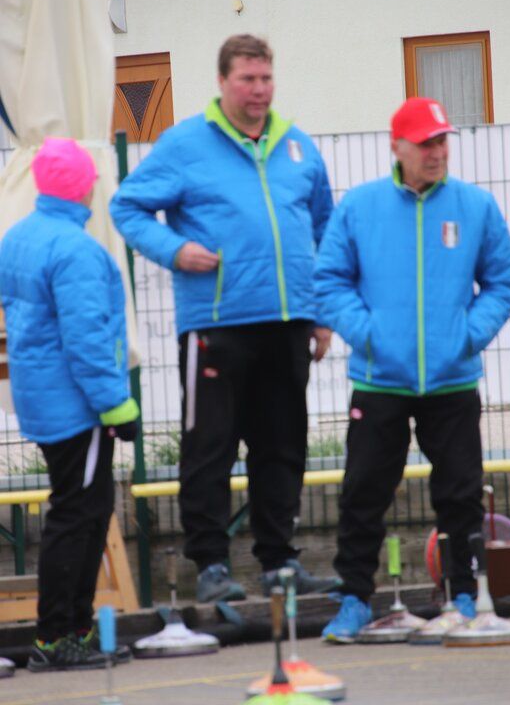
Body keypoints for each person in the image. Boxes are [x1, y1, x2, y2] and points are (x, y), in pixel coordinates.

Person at [110, 34, 340, 603]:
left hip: (288, 321)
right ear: (222, 82)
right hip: (215, 324)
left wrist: (321, 313)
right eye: (247, 79)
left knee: (282, 447)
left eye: (266, 78)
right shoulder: (185, 144)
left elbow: (326, 231)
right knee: (209, 449)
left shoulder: (297, 146)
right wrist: (173, 250)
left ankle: (280, 564)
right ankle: (211, 567)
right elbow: (126, 206)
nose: (259, 90)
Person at [315, 96, 510, 642]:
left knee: (461, 495)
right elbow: (330, 280)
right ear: (396, 146)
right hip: (379, 379)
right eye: (425, 143)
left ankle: (464, 597)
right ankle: (354, 599)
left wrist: (468, 335)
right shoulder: (361, 206)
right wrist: (368, 334)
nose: (437, 152)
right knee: (363, 492)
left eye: (442, 140)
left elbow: (502, 282)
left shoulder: (476, 206)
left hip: (452, 379)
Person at [0, 138, 139, 671]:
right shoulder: (78, 250)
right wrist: (116, 405)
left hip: (42, 397)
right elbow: (86, 339)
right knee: (79, 516)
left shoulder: (19, 237)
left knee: (82, 509)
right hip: (78, 406)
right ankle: (59, 635)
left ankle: (69, 630)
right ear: (83, 186)